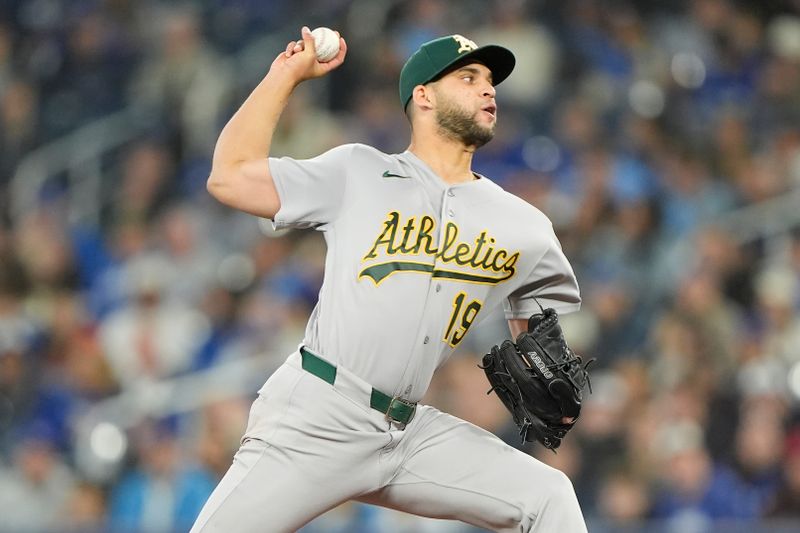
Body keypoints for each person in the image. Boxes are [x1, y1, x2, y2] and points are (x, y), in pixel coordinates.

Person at [191, 27, 586, 533]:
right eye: (468, 77)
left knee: (549, 495)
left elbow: (537, 331)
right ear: (423, 96)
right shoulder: (358, 171)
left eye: (490, 80)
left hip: (408, 433)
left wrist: (545, 368)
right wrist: (286, 74)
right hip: (319, 414)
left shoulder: (524, 225)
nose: (488, 89)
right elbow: (228, 175)